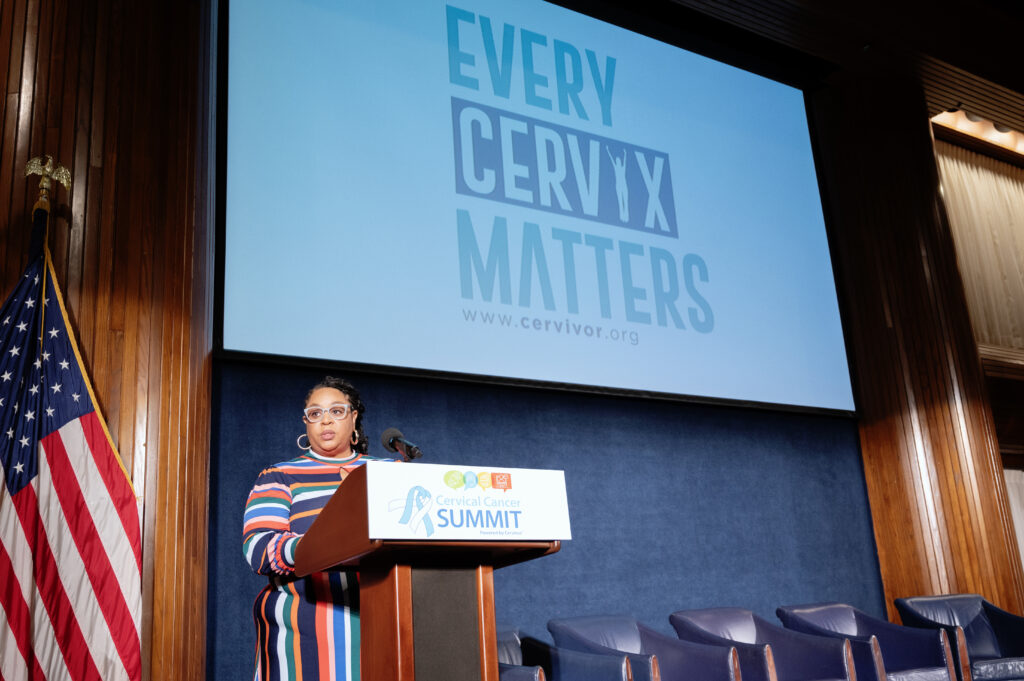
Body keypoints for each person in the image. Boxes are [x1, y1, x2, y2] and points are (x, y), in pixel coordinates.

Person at [243, 376, 388, 681]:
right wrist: (322, 543)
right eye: (315, 413)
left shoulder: (385, 473)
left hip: (384, 624)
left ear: (354, 418)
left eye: (336, 411)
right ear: (306, 424)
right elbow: (258, 548)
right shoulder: (280, 476)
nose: (325, 420)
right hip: (305, 628)